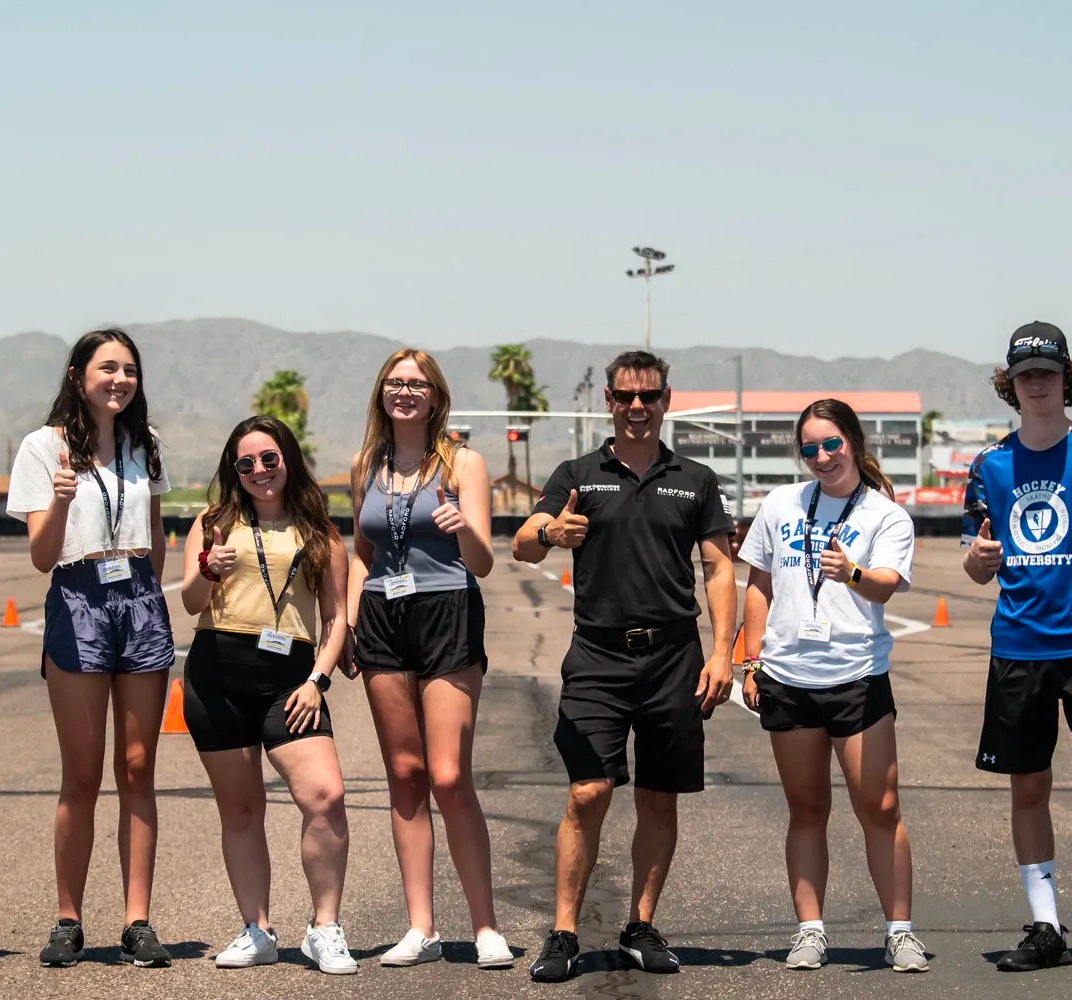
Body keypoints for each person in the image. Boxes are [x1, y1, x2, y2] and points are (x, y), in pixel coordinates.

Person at [513, 349, 736, 984]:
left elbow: (719, 568)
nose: (637, 408)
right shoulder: (578, 473)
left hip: (674, 657)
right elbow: (524, 543)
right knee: (588, 791)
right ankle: (562, 934)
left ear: (667, 400)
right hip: (598, 655)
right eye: (625, 397)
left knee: (659, 797)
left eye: (649, 397)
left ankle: (640, 924)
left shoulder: (694, 479)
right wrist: (552, 533)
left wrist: (723, 651)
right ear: (608, 401)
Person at [961, 321, 1072, 978]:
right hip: (1018, 647)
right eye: (1025, 373)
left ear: (1068, 378)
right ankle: (1045, 926)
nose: (1037, 383)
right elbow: (977, 563)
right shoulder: (990, 465)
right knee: (1028, 787)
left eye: (1047, 371)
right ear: (1009, 383)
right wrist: (979, 560)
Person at [5, 327, 177, 968]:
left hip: (138, 599)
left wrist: (152, 595)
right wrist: (57, 500)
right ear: (78, 375)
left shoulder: (146, 443)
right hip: (77, 595)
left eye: (129, 369)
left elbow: (155, 539)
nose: (120, 379)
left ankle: (137, 921)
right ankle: (68, 920)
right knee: (81, 774)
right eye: (107, 368)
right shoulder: (43, 447)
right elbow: (41, 557)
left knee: (138, 770)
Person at [737, 398, 928, 974]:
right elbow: (758, 585)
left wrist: (854, 573)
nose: (821, 457)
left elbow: (887, 587)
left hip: (857, 680)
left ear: (854, 443)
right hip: (790, 679)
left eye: (831, 444)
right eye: (810, 448)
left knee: (881, 806)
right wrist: (751, 663)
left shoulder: (885, 516)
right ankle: (810, 930)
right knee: (807, 808)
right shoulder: (780, 504)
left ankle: (900, 933)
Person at [346, 349, 511, 969]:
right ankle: (421, 926)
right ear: (382, 393)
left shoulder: (463, 462)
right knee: (406, 776)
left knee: (447, 775)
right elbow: (361, 549)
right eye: (395, 382)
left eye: (417, 383)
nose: (405, 392)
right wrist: (355, 613)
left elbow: (484, 561)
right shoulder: (367, 463)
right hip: (383, 618)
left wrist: (460, 524)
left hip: (448, 612)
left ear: (435, 394)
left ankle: (486, 925)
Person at [180, 416, 357, 975]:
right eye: (246, 463)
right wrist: (208, 568)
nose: (259, 470)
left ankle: (324, 928)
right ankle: (256, 929)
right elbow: (189, 602)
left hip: (291, 681)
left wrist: (317, 681)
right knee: (241, 810)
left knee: (325, 797)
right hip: (217, 675)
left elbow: (336, 617)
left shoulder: (321, 532)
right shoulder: (212, 523)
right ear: (234, 471)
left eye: (269, 459)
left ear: (288, 460)